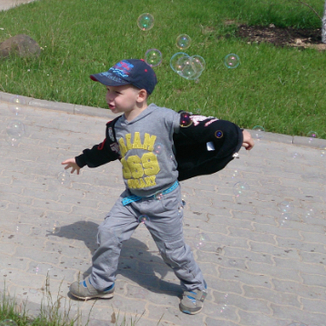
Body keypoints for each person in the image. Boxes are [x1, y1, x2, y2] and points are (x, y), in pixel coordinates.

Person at [61, 59, 254, 315]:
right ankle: (101, 283)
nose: (109, 97)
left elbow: (204, 126)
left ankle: (195, 286)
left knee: (172, 252)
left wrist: (238, 135)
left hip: (163, 199)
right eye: (107, 91)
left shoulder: (164, 118)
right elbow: (106, 150)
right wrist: (81, 160)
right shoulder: (117, 128)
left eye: (117, 92)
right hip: (131, 199)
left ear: (140, 95)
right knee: (107, 233)